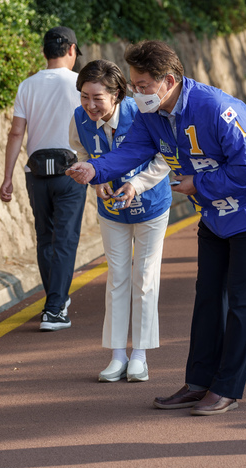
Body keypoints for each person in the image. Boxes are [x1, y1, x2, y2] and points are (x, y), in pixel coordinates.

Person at [67, 40, 246, 415]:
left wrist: (198, 186)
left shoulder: (217, 108)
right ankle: (199, 382)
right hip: (214, 215)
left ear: (168, 81)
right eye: (134, 85)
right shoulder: (151, 115)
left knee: (242, 301)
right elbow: (130, 152)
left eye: (142, 85)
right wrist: (95, 170)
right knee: (208, 296)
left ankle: (227, 388)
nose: (136, 92)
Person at [68, 59, 172, 383]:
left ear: (116, 94)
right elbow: (80, 153)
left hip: (151, 207)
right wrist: (95, 179)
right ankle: (117, 355)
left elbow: (165, 155)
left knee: (144, 276)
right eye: (84, 96)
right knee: (116, 278)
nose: (89, 104)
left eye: (97, 97)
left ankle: (139, 355)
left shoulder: (143, 113)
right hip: (111, 212)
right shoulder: (78, 119)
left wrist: (137, 184)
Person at [0, 26, 86, 331]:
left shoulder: (27, 85)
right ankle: (54, 309)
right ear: (72, 50)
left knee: (45, 238)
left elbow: (16, 133)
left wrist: (7, 176)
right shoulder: (80, 84)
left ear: (44, 52)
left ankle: (56, 299)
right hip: (71, 171)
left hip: (35, 174)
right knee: (65, 239)